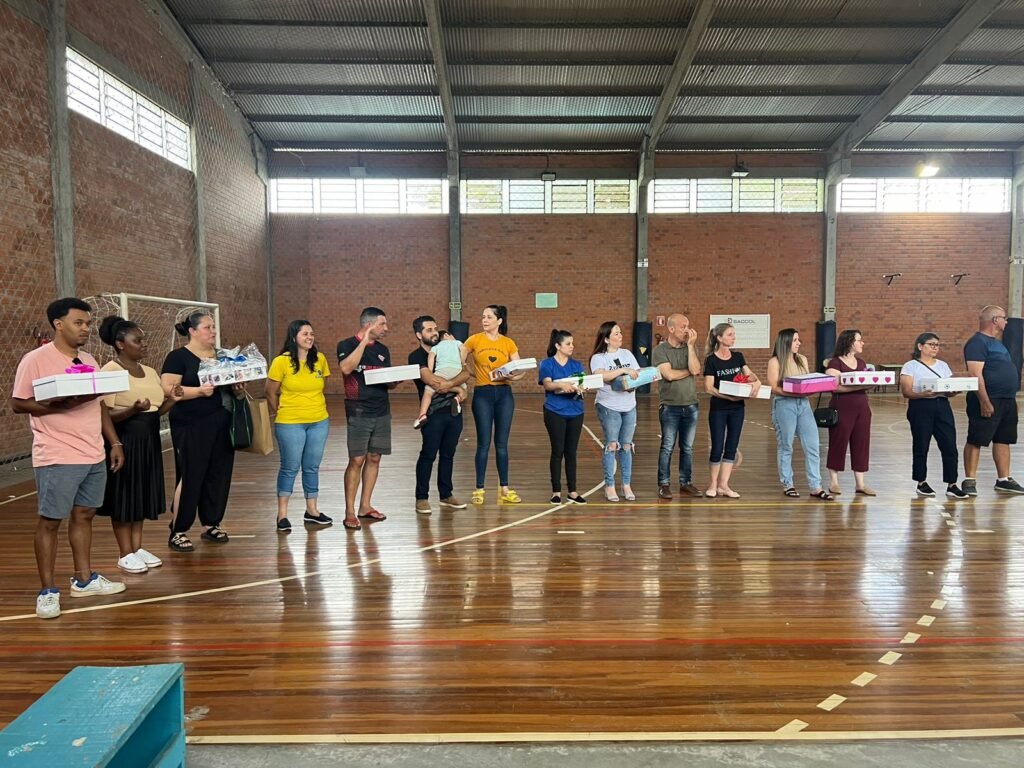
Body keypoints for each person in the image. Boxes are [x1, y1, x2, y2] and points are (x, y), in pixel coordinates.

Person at [12, 297, 126, 619]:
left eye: (88, 323)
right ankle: (47, 591)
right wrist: (56, 406)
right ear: (58, 324)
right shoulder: (35, 359)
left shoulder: (88, 359)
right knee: (51, 521)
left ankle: (84, 579)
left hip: (93, 451)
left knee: (85, 514)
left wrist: (114, 442)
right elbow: (18, 403)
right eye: (79, 323)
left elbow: (98, 405)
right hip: (58, 453)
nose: (86, 328)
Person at [97, 315, 180, 573]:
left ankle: (137, 547)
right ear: (120, 344)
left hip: (149, 440)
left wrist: (172, 400)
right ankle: (125, 552)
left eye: (143, 339)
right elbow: (104, 413)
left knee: (140, 493)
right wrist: (132, 410)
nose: (144, 344)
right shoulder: (110, 371)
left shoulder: (151, 372)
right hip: (124, 439)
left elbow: (154, 410)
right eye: (138, 340)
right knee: (124, 495)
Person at [160, 311, 239, 552]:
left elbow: (231, 386)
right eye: (207, 327)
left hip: (222, 421)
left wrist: (237, 387)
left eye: (213, 327)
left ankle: (211, 523)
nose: (213, 331)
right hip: (190, 423)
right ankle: (179, 529)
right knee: (191, 473)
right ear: (192, 331)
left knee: (218, 473)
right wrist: (198, 392)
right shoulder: (178, 357)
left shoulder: (222, 356)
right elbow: (168, 388)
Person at [265, 320, 333, 534]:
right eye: (305, 334)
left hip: (319, 420)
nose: (310, 337)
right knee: (290, 467)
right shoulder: (281, 361)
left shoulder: (319, 359)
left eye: (312, 333)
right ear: (294, 337)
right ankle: (282, 515)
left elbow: (322, 386)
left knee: (312, 466)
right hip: (290, 422)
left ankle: (312, 510)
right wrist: (282, 411)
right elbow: (270, 392)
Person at [337, 307, 396, 530]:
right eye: (382, 324)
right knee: (356, 460)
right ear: (369, 325)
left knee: (374, 458)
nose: (386, 328)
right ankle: (349, 512)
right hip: (358, 411)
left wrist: (396, 379)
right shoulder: (346, 345)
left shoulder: (383, 350)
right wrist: (364, 342)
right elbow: (346, 368)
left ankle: (365, 506)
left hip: (381, 410)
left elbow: (387, 380)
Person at [463, 304, 525, 505]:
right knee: (483, 443)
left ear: (499, 321)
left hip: (504, 394)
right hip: (483, 393)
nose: (485, 320)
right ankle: (479, 488)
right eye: (483, 316)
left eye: (489, 317)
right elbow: (460, 358)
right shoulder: (474, 339)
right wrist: (470, 372)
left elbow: (519, 369)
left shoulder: (508, 343)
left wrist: (512, 376)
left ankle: (505, 488)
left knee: (501, 444)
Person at [409, 316, 471, 515]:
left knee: (448, 454)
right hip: (432, 413)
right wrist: (455, 387)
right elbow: (430, 379)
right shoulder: (416, 356)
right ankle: (422, 497)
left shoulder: (450, 348)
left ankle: (446, 495)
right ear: (419, 335)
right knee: (428, 454)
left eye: (435, 328)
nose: (434, 332)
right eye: (429, 330)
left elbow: (466, 373)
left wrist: (449, 385)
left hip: (453, 411)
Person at [766, 328, 833, 501]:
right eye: (795, 340)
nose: (799, 343)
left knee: (812, 445)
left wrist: (812, 388)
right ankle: (788, 484)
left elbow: (806, 382)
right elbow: (774, 387)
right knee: (786, 445)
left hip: (804, 404)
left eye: (798, 340)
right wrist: (793, 393)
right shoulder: (775, 361)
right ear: (786, 341)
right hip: (784, 404)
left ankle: (816, 486)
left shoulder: (802, 359)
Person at [962, 305, 1022, 495]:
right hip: (989, 398)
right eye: (1004, 318)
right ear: (995, 320)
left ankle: (1003, 479)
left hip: (1007, 399)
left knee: (1003, 439)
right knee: (976, 439)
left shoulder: (997, 343)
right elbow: (975, 374)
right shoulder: (977, 343)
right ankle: (970, 480)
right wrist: (984, 400)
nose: (1006, 322)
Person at [900, 333, 968, 499]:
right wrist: (922, 394)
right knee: (921, 445)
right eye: (931, 344)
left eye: (937, 345)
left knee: (949, 445)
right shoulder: (910, 366)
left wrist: (954, 391)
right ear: (920, 346)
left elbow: (949, 387)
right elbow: (906, 391)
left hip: (942, 405)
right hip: (921, 406)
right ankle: (921, 482)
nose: (935, 348)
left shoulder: (943, 365)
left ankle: (952, 484)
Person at [702, 322, 761, 499]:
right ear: (719, 338)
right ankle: (713, 484)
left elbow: (750, 375)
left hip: (737, 409)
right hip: (719, 409)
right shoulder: (711, 360)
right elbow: (708, 387)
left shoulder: (738, 357)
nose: (733, 338)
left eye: (734, 334)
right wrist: (727, 397)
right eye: (730, 334)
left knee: (731, 447)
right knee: (717, 447)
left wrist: (756, 382)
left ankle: (724, 485)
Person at [651, 313, 703, 499]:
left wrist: (690, 347)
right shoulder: (660, 350)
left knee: (687, 447)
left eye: (688, 326)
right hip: (670, 406)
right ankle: (664, 483)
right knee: (667, 446)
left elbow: (696, 369)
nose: (687, 330)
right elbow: (669, 375)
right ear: (671, 329)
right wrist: (688, 371)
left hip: (691, 405)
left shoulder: (690, 348)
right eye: (683, 327)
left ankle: (685, 482)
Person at [589, 321, 640, 502]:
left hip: (629, 405)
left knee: (626, 445)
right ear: (606, 339)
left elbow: (637, 373)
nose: (620, 336)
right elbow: (602, 375)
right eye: (616, 333)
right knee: (612, 444)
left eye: (620, 332)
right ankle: (609, 486)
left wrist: (635, 381)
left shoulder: (627, 353)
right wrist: (623, 370)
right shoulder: (598, 357)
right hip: (609, 406)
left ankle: (626, 484)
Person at [538, 329, 588, 505]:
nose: (572, 346)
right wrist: (562, 385)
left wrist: (582, 388)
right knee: (557, 450)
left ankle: (572, 491)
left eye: (572, 343)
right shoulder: (547, 364)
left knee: (571, 452)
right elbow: (548, 384)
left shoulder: (577, 365)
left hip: (576, 412)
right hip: (555, 411)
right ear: (558, 346)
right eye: (568, 343)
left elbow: (582, 384)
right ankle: (556, 491)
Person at [825, 329, 876, 496]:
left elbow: (866, 383)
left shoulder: (861, 363)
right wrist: (860, 386)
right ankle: (834, 482)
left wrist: (864, 385)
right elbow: (834, 387)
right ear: (849, 342)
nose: (862, 343)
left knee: (861, 443)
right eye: (859, 340)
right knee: (838, 442)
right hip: (842, 408)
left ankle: (860, 484)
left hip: (862, 408)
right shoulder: (835, 363)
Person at [413, 329, 466, 429]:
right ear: (447, 335)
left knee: (428, 392)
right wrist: (462, 362)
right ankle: (457, 399)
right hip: (457, 370)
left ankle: (422, 415)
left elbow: (431, 357)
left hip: (442, 371)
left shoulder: (436, 347)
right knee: (464, 388)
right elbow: (464, 349)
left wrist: (430, 371)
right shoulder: (457, 342)